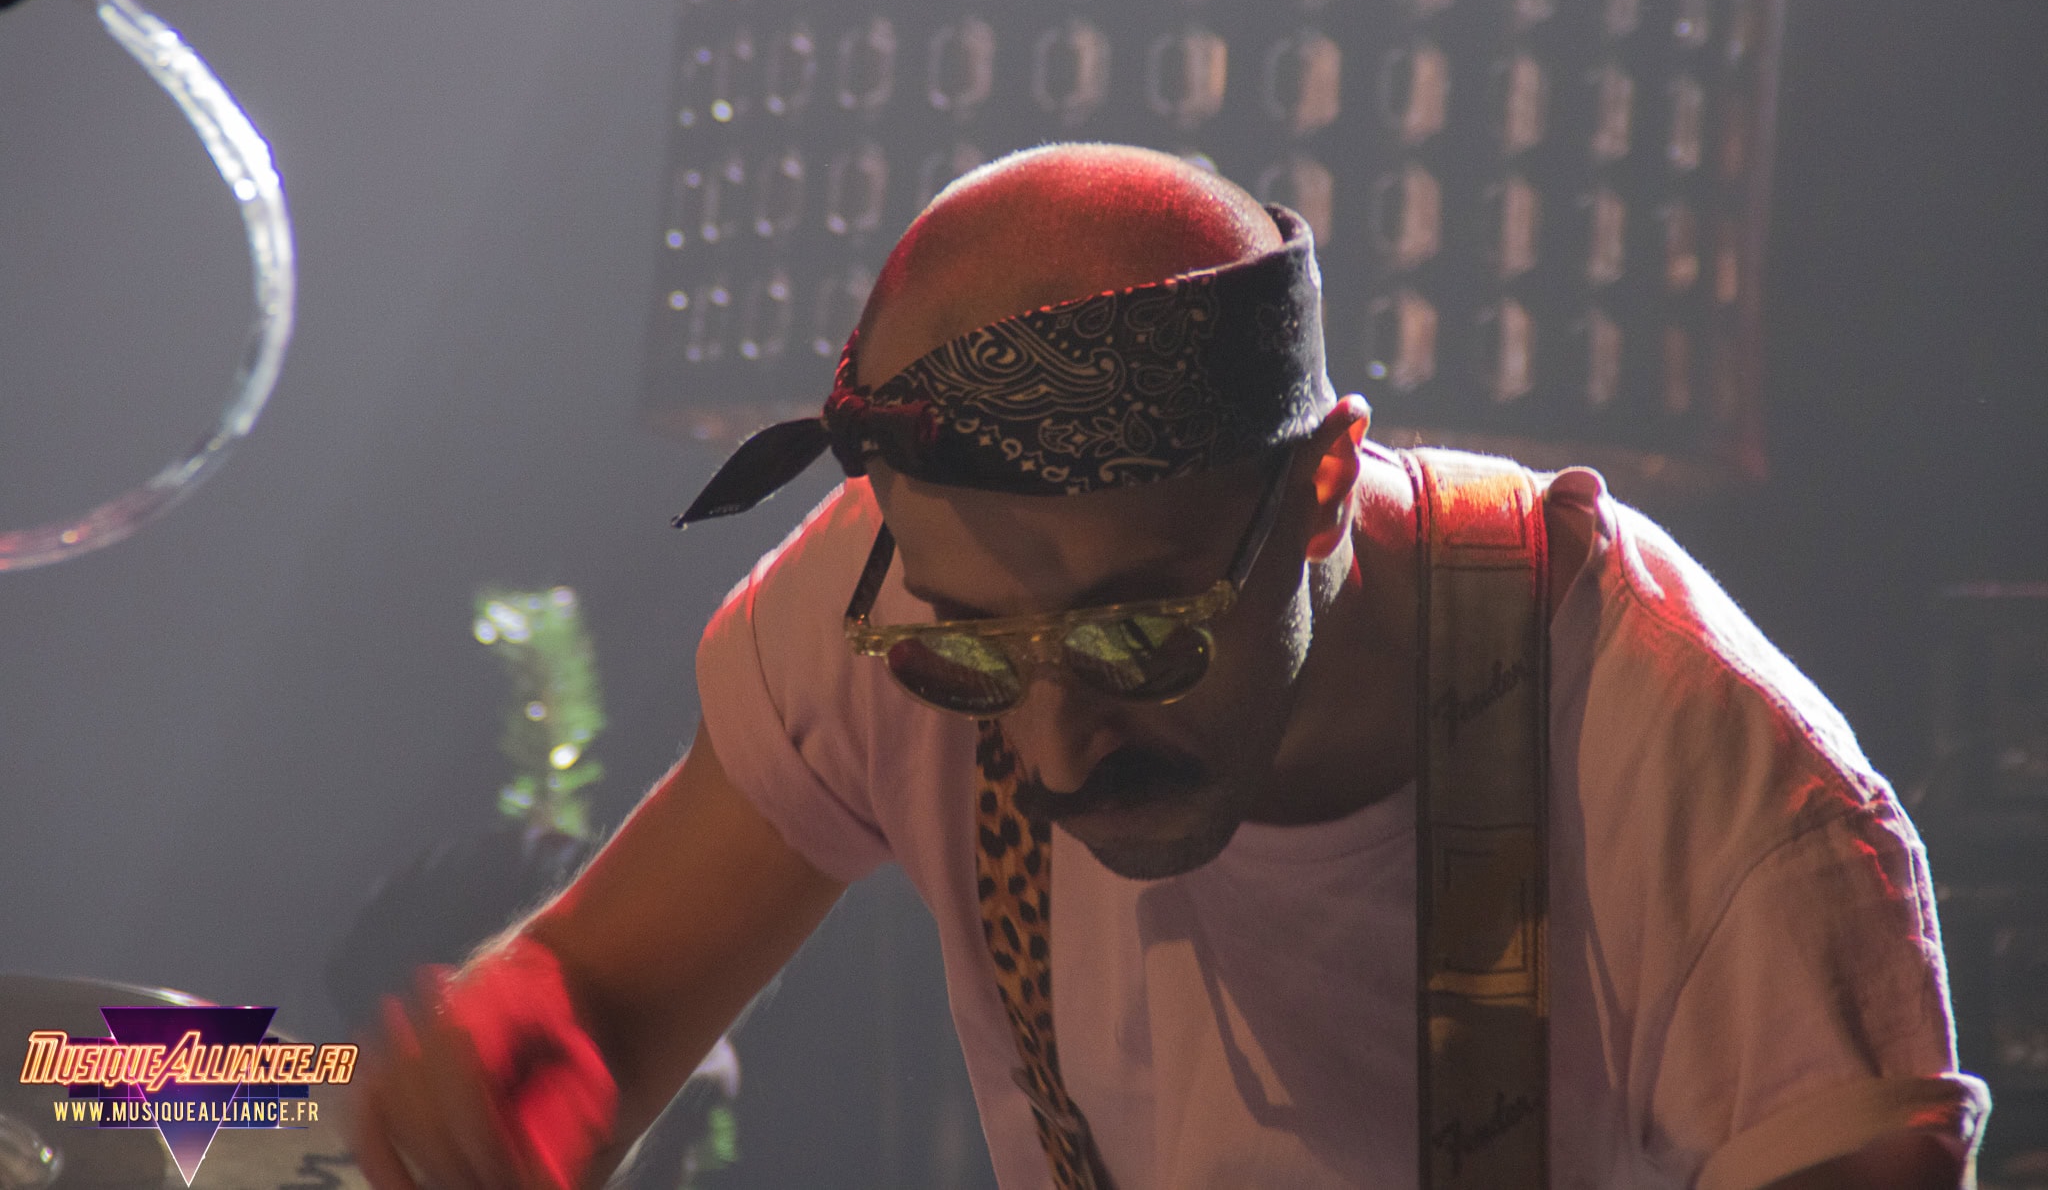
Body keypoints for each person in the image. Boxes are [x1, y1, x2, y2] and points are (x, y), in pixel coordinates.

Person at [350, 144, 1988, 1189]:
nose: (1057, 736)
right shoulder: (906, 597)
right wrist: (524, 1071)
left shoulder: (1711, 789)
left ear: (1323, 485)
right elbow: (603, 995)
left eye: (1138, 632)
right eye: (975, 649)